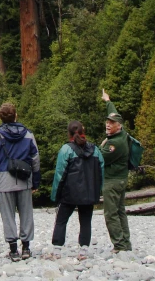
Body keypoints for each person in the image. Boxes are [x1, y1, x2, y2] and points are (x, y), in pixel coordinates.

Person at [0, 102, 40, 261]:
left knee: (7, 215)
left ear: (0, 118)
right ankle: (26, 248)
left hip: (3, 179)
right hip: (24, 179)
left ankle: (13, 250)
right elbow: (35, 159)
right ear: (16, 116)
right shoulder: (28, 135)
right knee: (26, 213)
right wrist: (36, 181)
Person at [50, 120, 104, 260]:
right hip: (89, 192)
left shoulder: (66, 149)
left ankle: (57, 250)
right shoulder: (95, 150)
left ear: (69, 133)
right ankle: (83, 251)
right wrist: (98, 191)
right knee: (86, 221)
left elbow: (59, 174)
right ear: (83, 132)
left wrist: (55, 195)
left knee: (61, 220)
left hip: (69, 193)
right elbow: (101, 172)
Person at [99, 89, 132, 252]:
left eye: (111, 124)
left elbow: (99, 158)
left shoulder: (115, 144)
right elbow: (114, 113)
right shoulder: (122, 133)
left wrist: (102, 145)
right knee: (120, 211)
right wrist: (107, 100)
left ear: (118, 126)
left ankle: (119, 245)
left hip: (112, 181)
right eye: (107, 122)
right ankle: (126, 243)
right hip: (121, 179)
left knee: (111, 214)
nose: (108, 124)